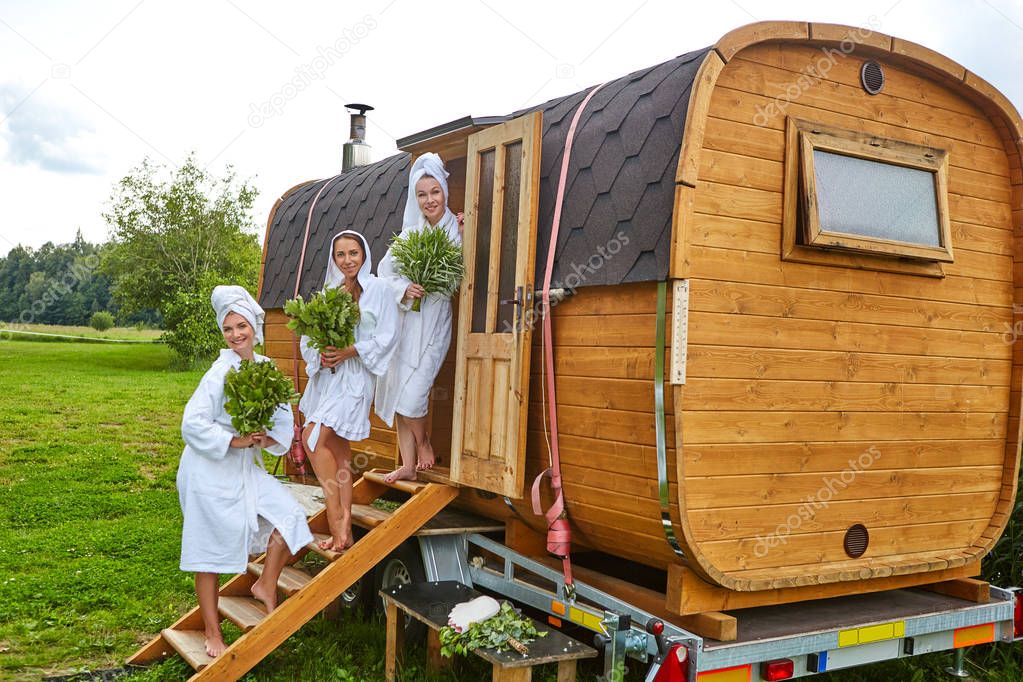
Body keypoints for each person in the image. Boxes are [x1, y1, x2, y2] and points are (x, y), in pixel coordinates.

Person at [177, 285, 314, 658]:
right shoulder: (220, 372)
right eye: (228, 329)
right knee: (209, 552)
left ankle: (265, 585)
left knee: (290, 516)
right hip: (208, 470)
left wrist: (265, 438)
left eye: (241, 326)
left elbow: (284, 422)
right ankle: (212, 631)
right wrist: (234, 441)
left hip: (244, 469)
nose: (236, 335)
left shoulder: (267, 369)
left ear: (254, 325)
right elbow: (191, 424)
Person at [299, 230, 399, 553]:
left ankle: (335, 519)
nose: (347, 261)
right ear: (334, 259)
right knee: (340, 454)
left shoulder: (378, 290)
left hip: (356, 379)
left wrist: (349, 350)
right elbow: (307, 338)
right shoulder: (329, 292)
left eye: (353, 253)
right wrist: (323, 355)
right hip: (331, 378)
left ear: (364, 254)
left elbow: (387, 336)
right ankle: (345, 534)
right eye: (340, 255)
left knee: (312, 438)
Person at [376, 153, 463, 483]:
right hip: (408, 323)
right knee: (400, 394)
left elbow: (463, 271)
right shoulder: (410, 236)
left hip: (435, 322)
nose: (429, 200)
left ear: (444, 191)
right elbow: (384, 273)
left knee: (413, 396)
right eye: (422, 194)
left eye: (435, 192)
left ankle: (424, 443)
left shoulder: (456, 229)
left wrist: (467, 234)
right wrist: (404, 288)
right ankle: (408, 465)